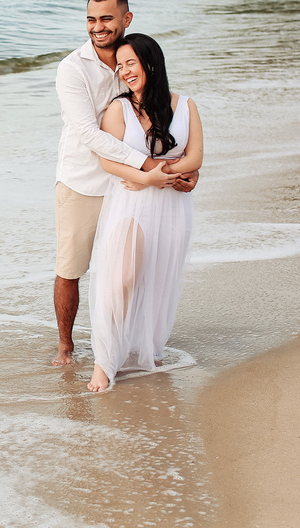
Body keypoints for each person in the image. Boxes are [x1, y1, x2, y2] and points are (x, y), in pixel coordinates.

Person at [52, 0, 195, 367]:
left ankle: (128, 341)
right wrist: (147, 167)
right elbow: (89, 134)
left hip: (130, 188)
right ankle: (66, 345)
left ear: (126, 19)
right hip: (84, 181)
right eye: (90, 19)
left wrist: (186, 169)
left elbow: (159, 118)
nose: (97, 27)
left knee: (130, 269)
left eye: (106, 19)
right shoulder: (72, 68)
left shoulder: (131, 59)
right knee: (71, 267)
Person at [86, 33, 203, 392]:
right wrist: (149, 177)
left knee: (157, 279)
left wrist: (161, 177)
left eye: (130, 63)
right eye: (120, 66)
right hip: (131, 202)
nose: (124, 72)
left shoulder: (186, 106)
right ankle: (104, 361)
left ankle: (144, 349)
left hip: (172, 207)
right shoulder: (118, 110)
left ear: (151, 62)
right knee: (120, 279)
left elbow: (196, 157)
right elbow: (108, 160)